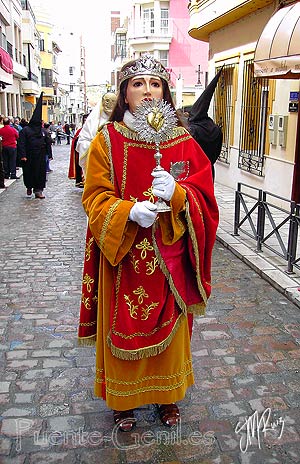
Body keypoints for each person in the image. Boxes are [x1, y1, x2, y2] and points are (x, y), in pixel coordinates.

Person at [78, 54, 219, 432]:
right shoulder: (106, 141)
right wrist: (127, 213)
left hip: (170, 258)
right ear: (124, 94)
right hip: (123, 258)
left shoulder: (183, 140)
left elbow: (204, 195)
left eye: (154, 84)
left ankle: (168, 396)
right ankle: (123, 400)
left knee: (172, 333)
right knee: (120, 326)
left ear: (165, 92)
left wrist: (177, 194)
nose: (147, 91)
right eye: (137, 84)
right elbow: (94, 196)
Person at [188, 67, 223, 180]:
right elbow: (217, 152)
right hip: (209, 169)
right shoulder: (216, 129)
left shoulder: (193, 130)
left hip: (196, 171)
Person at [18, 92, 52, 199]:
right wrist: (23, 155)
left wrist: (49, 154)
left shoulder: (42, 132)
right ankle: (29, 186)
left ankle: (38, 191)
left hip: (40, 156)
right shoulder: (25, 131)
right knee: (29, 173)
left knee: (40, 174)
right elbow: (21, 143)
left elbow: (48, 143)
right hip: (29, 156)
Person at [77, 91, 117, 175]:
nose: (110, 104)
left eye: (113, 101)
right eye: (107, 101)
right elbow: (82, 141)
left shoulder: (121, 120)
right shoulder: (92, 121)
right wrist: (94, 146)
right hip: (97, 161)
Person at [68, 114, 89, 188]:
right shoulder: (80, 130)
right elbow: (75, 141)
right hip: (81, 151)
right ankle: (81, 180)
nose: (86, 121)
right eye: (84, 120)